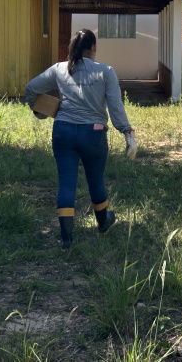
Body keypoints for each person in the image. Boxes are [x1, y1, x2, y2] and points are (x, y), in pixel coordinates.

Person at [25, 29, 138, 251]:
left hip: (63, 132)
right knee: (95, 179)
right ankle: (103, 223)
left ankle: (66, 239)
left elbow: (31, 88)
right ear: (94, 47)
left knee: (66, 182)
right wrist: (127, 132)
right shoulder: (106, 71)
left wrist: (38, 108)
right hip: (94, 134)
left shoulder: (60, 69)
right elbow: (116, 107)